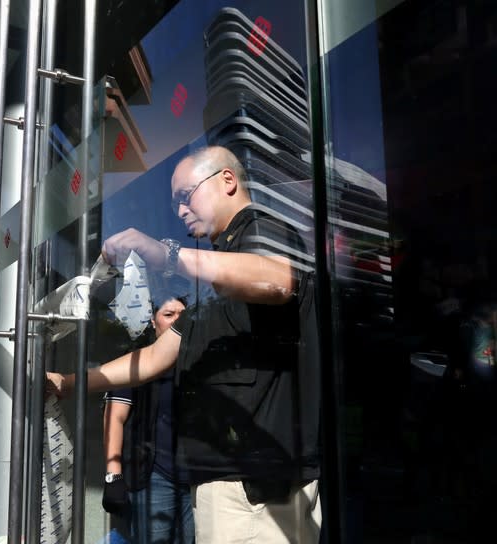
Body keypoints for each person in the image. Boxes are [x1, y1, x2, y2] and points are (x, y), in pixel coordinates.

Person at [47, 145, 321, 544]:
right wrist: (68, 382)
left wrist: (167, 254)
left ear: (227, 181)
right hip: (230, 485)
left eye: (184, 196)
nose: (179, 211)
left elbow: (276, 278)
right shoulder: (214, 286)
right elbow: (157, 356)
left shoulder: (260, 230)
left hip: (256, 491)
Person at [102, 293, 195, 544]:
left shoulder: (197, 365)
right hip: (153, 476)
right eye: (168, 315)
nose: (176, 321)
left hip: (196, 478)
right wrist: (114, 476)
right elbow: (114, 418)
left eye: (182, 316)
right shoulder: (136, 362)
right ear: (154, 322)